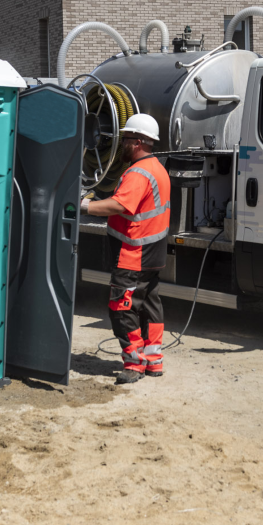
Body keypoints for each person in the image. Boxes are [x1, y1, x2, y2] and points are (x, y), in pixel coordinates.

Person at [80, 114, 171, 384]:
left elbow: (120, 206)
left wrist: (82, 206)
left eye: (127, 139)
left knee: (121, 307)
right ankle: (153, 362)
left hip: (133, 254)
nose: (122, 144)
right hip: (151, 253)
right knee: (149, 306)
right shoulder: (156, 168)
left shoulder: (138, 172)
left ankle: (134, 364)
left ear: (138, 142)